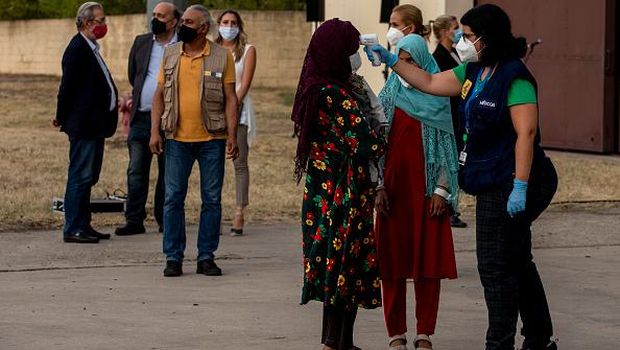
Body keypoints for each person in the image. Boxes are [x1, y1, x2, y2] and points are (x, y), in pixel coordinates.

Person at [367, 4, 559, 350]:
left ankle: (498, 343)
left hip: (518, 179)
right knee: (515, 258)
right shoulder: (473, 71)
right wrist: (393, 60)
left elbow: (526, 134)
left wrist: (520, 185)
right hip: (491, 180)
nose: (461, 40)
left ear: (490, 37)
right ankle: (539, 338)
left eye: (468, 36)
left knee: (494, 264)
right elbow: (427, 81)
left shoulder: (514, 76)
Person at [291, 18, 386, 350]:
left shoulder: (313, 88)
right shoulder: (339, 96)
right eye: (351, 49)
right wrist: (385, 131)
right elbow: (367, 143)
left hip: (321, 191)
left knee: (334, 268)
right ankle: (334, 343)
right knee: (345, 264)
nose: (355, 56)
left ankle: (340, 342)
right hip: (345, 194)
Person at [374, 34, 458, 350]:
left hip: (426, 194)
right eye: (401, 60)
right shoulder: (387, 96)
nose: (404, 67)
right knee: (391, 264)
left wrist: (441, 189)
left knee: (428, 266)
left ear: (422, 61)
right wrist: (378, 186)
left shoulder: (438, 97)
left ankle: (424, 333)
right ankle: (396, 333)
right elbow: (376, 147)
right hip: (393, 194)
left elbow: (447, 149)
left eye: (411, 61)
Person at [149, 4, 239, 277]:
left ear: (202, 28)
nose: (182, 25)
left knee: (211, 200)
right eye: (182, 21)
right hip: (176, 138)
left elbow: (231, 99)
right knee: (173, 198)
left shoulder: (222, 57)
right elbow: (158, 95)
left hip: (213, 139)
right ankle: (173, 257)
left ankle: (206, 257)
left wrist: (232, 136)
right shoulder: (170, 54)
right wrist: (155, 131)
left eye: (188, 21)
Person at [55, 1, 117, 244]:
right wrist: (61, 116)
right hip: (85, 125)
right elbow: (66, 88)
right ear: (88, 22)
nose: (104, 25)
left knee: (89, 176)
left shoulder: (90, 48)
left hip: (95, 125)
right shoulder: (77, 49)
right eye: (101, 20)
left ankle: (84, 223)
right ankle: (73, 227)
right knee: (80, 176)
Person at [116, 1, 179, 236]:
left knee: (168, 172)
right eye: (154, 14)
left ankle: (165, 220)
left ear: (173, 22)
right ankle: (134, 220)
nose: (156, 19)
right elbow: (134, 75)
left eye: (161, 16)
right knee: (136, 170)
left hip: (170, 120)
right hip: (141, 117)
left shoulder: (182, 45)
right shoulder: (141, 42)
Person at [215, 10, 257, 236]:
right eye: (225, 22)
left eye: (233, 23)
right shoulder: (211, 50)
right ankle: (214, 212)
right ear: (218, 25)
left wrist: (231, 107)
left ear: (239, 26)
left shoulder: (247, 51)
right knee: (213, 164)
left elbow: (244, 85)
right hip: (212, 114)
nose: (229, 26)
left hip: (238, 113)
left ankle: (239, 211)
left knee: (239, 162)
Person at [432, 15, 468, 228]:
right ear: (445, 32)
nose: (458, 32)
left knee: (457, 159)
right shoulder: (439, 58)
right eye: (455, 28)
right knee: (449, 160)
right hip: (450, 114)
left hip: (459, 114)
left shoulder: (455, 53)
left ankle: (452, 204)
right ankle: (449, 205)